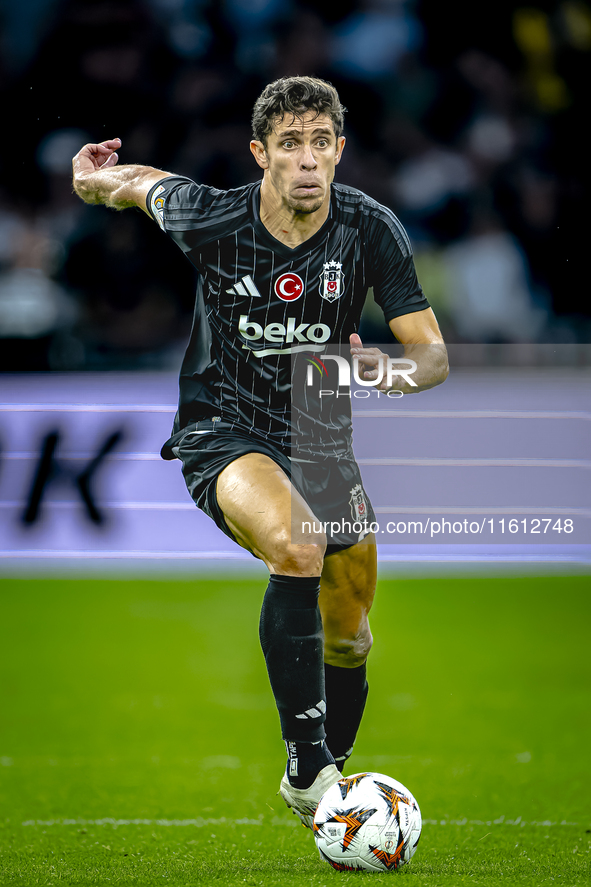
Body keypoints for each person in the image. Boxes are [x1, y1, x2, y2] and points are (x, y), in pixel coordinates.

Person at [72, 76, 448, 829]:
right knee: (294, 542)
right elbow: (142, 184)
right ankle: (310, 767)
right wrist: (91, 180)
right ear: (261, 154)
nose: (306, 159)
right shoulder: (215, 216)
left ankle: (320, 791)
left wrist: (385, 370)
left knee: (350, 633)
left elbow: (431, 357)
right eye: (289, 144)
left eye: (319, 143)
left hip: (318, 441)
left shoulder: (369, 228)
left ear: (338, 151)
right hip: (222, 428)